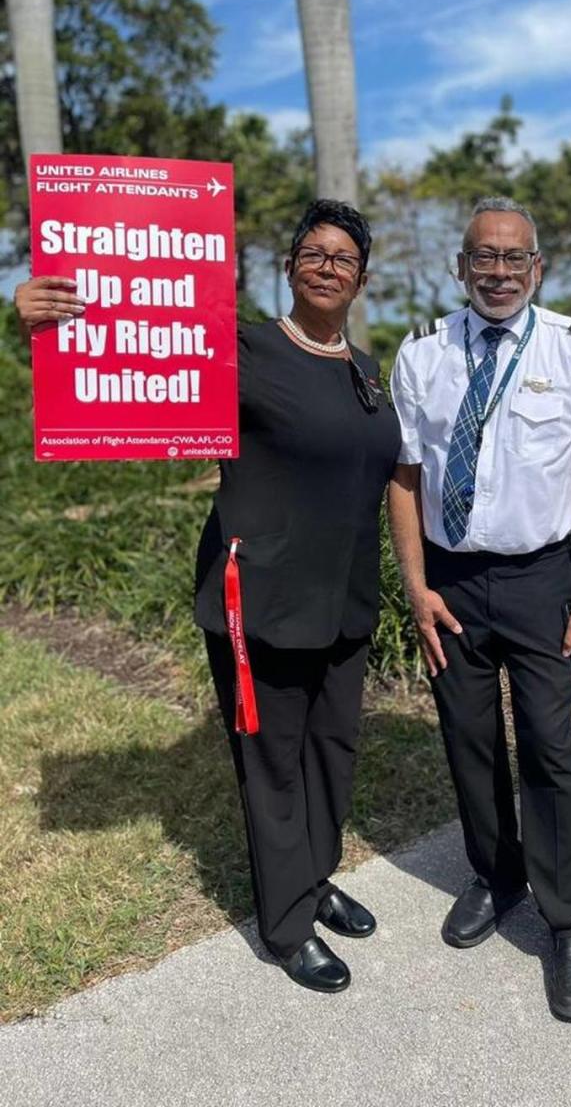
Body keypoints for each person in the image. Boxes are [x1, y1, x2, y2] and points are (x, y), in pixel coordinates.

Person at [15, 199, 402, 994]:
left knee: (331, 754)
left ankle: (316, 875)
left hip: (345, 604)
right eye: (313, 253)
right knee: (275, 767)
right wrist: (40, 322)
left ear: (362, 278)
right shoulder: (243, 351)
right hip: (261, 600)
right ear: (289, 266)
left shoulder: (364, 369)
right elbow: (129, 347)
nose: (328, 266)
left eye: (344, 258)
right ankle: (288, 923)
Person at [388, 196, 571, 1022]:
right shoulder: (421, 354)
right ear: (460, 267)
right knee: (470, 737)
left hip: (540, 581)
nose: (497, 272)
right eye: (482, 257)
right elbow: (406, 477)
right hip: (451, 578)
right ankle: (495, 874)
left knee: (551, 746)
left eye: (513, 258)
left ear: (537, 268)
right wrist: (417, 590)